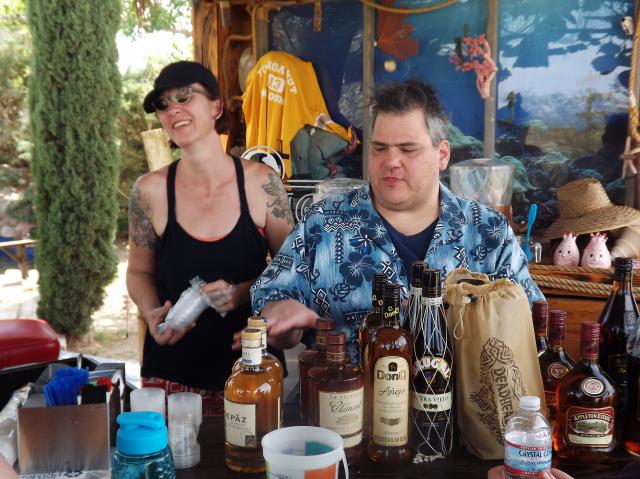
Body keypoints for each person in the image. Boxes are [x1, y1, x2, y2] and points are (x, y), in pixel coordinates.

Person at [249, 80, 543, 362]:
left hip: (464, 397)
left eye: (407, 149)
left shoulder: (488, 231)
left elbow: (529, 318)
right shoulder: (322, 224)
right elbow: (271, 297)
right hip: (343, 394)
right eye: (379, 148)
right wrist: (280, 316)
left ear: (442, 155)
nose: (390, 161)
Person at [127, 61, 294, 414]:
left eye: (184, 97)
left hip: (253, 372)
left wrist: (241, 293)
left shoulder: (262, 183)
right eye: (163, 104)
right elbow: (139, 272)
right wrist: (152, 311)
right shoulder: (149, 191)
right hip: (173, 374)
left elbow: (292, 270)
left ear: (216, 107)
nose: (173, 109)